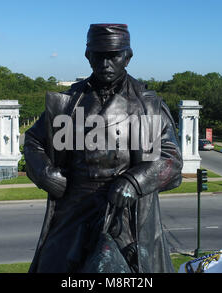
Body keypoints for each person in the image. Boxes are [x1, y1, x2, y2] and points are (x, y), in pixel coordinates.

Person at [24, 24, 182, 273]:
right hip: (74, 207)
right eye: (99, 55)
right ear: (88, 56)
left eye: (114, 55)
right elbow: (33, 141)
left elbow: (169, 161)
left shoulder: (145, 105)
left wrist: (134, 181)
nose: (106, 63)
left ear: (128, 56)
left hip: (125, 212)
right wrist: (44, 172)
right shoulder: (69, 102)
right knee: (53, 264)